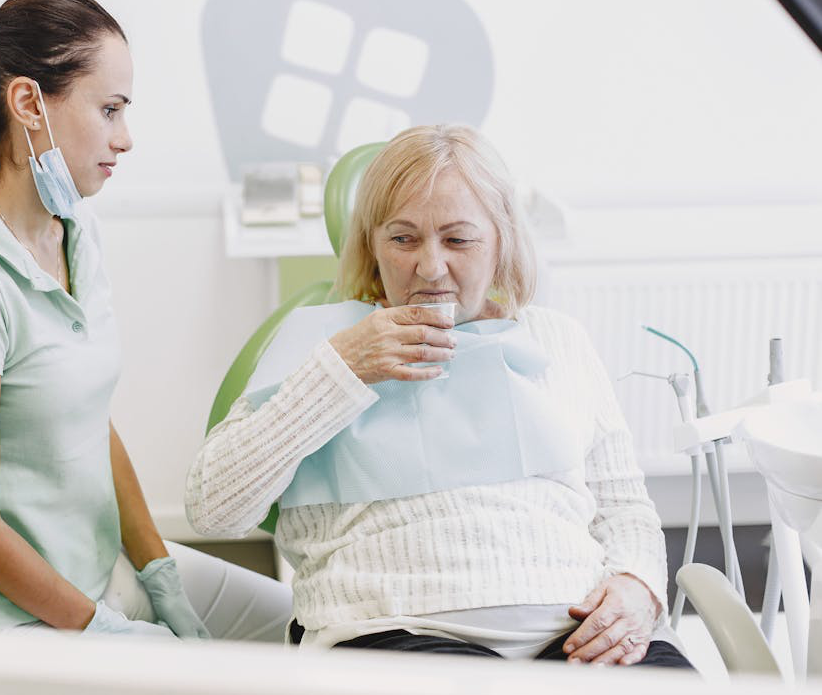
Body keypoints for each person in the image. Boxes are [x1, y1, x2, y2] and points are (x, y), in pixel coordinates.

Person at [186, 124, 692, 667]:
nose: (429, 267)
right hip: (395, 628)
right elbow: (213, 510)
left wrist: (638, 586)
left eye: (458, 239)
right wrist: (342, 372)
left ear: (501, 243)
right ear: (370, 244)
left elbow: (624, 505)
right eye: (402, 239)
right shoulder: (321, 344)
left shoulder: (555, 338)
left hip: (573, 632)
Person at [0, 0, 289, 639]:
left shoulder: (72, 229)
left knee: (295, 631)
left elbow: (90, 420)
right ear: (27, 103)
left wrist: (158, 572)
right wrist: (101, 631)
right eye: (109, 110)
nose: (124, 139)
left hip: (94, 576)